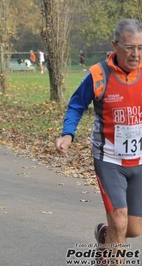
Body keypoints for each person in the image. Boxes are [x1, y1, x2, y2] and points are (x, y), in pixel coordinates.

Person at [55, 18, 142, 266]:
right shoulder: (98, 74)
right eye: (129, 47)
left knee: (133, 229)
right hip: (109, 160)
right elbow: (76, 105)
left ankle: (105, 236)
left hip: (139, 161)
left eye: (140, 47)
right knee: (120, 221)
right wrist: (68, 134)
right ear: (115, 45)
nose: (135, 54)